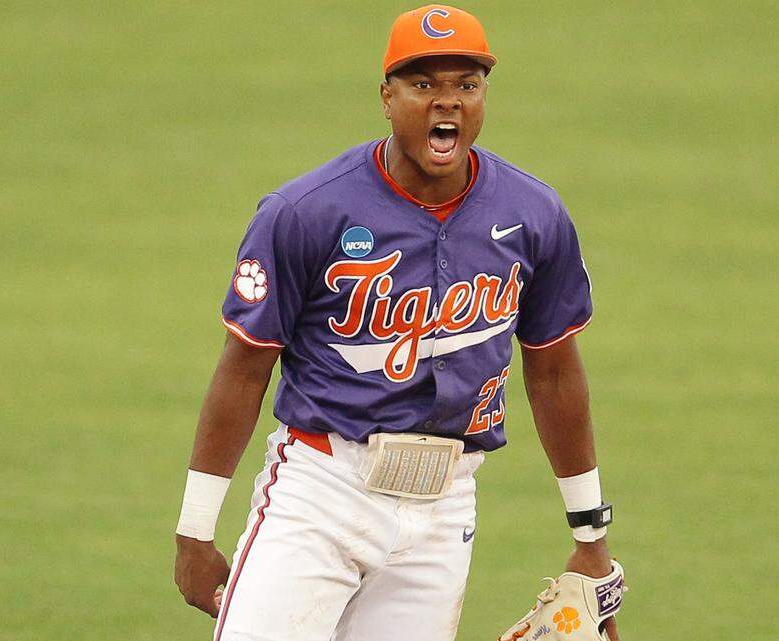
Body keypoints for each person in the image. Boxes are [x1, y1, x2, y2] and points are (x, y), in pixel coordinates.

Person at [173, 5, 620, 640]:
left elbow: (552, 373)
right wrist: (196, 530)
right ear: (386, 97)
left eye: (467, 85)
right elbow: (244, 368)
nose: (449, 102)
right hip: (320, 494)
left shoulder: (534, 214)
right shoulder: (306, 211)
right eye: (424, 85)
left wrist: (590, 538)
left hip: (445, 508)